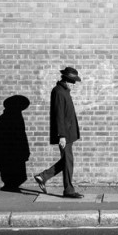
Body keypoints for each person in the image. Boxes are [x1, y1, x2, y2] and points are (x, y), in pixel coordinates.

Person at [34, 67, 84, 198]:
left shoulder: (64, 91)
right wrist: (62, 135)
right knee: (68, 161)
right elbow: (59, 115)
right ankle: (68, 190)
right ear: (66, 80)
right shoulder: (59, 92)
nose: (74, 84)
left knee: (67, 161)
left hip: (68, 133)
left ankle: (43, 176)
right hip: (65, 134)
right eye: (72, 81)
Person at [0, 95, 31, 192]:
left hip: (9, 153)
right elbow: (21, 137)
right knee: (14, 171)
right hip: (11, 153)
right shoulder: (14, 119)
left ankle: (11, 184)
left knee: (13, 170)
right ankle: (11, 184)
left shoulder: (2, 120)